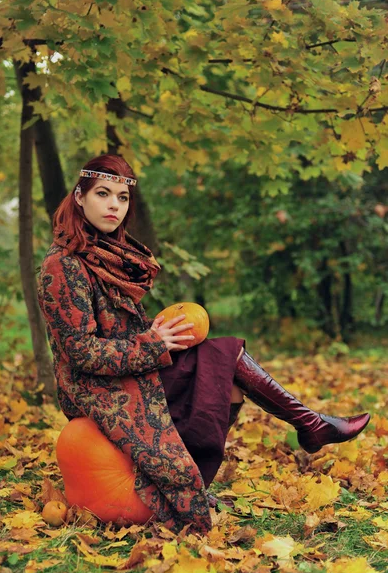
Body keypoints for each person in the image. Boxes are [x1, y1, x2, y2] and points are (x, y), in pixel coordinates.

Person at [37, 154, 370, 534]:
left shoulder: (110, 255)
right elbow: (81, 352)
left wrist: (157, 334)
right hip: (92, 387)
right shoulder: (62, 265)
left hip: (126, 365)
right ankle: (310, 425)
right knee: (219, 358)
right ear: (79, 198)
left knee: (221, 359)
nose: (114, 205)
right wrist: (153, 343)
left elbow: (122, 332)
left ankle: (307, 425)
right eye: (103, 193)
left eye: (123, 197)